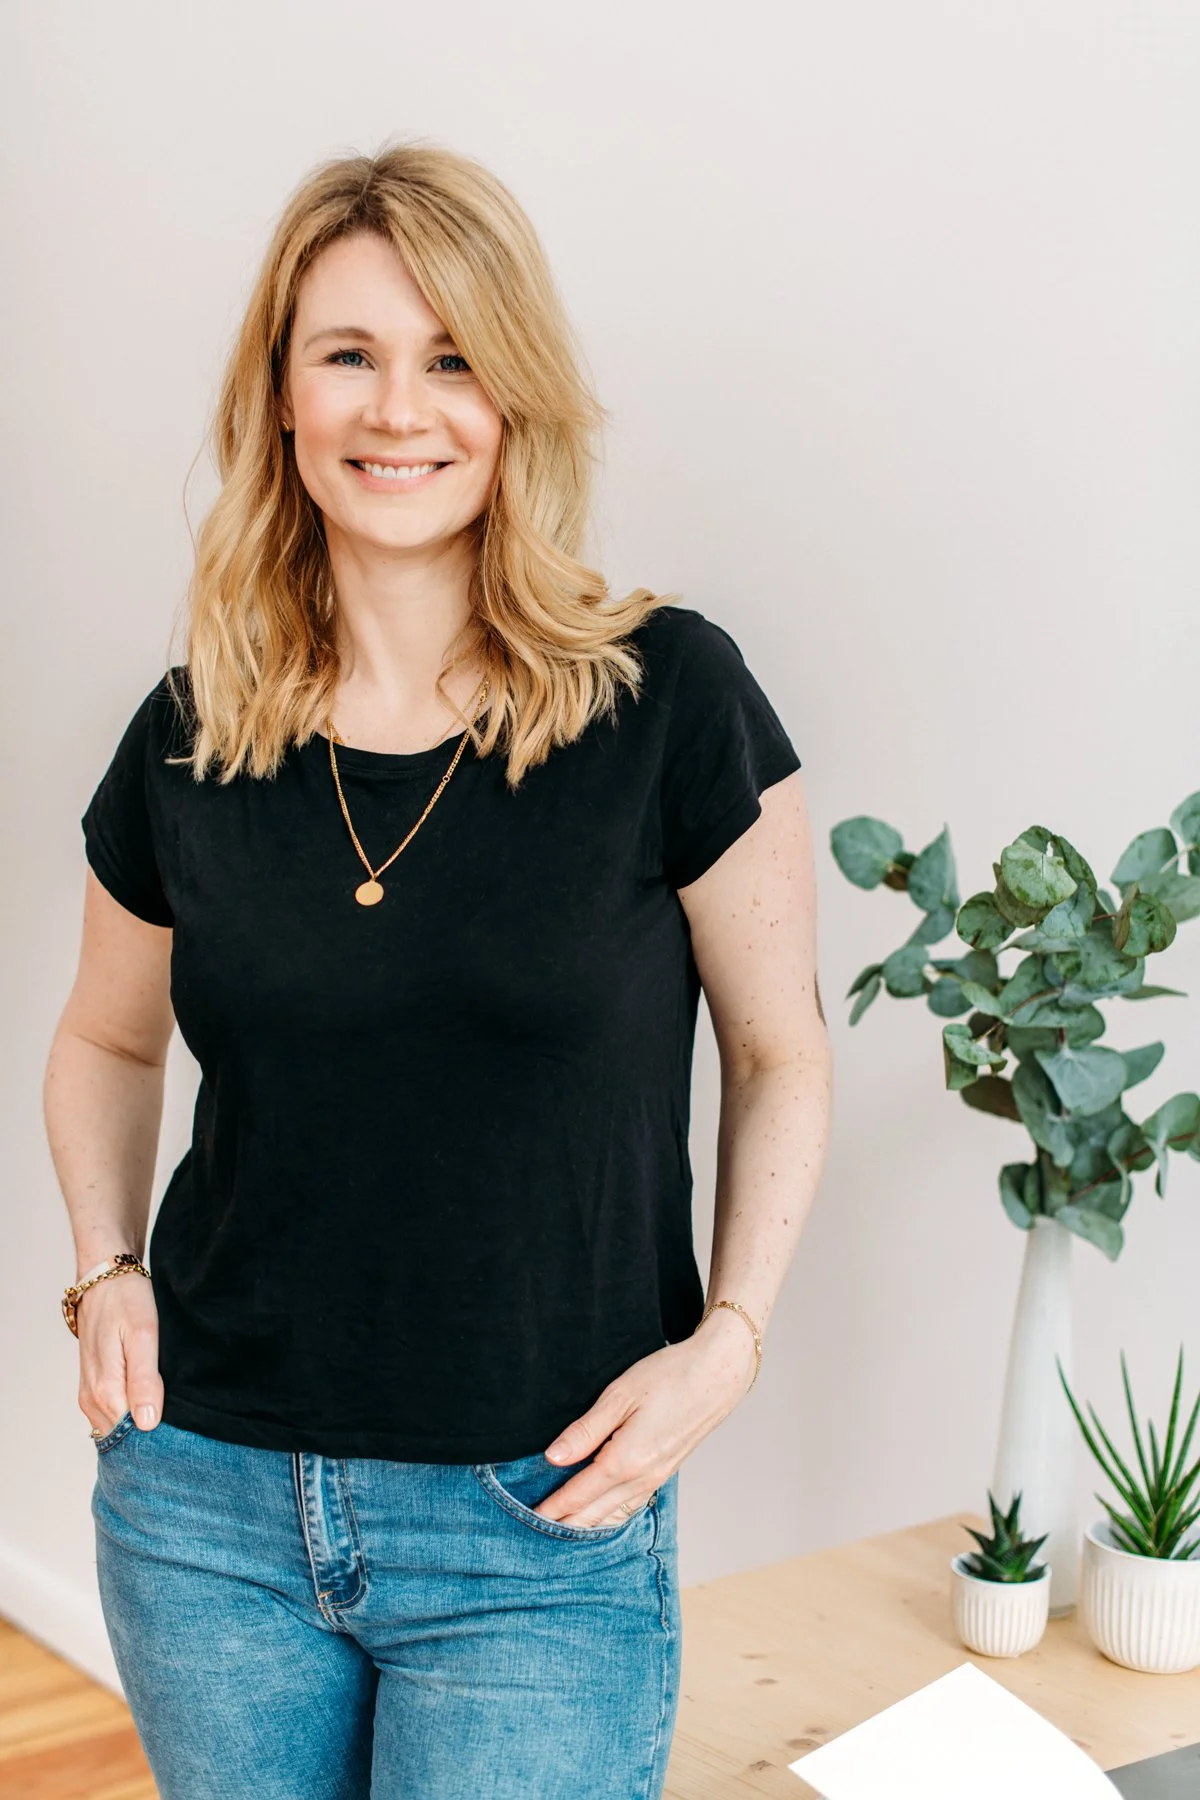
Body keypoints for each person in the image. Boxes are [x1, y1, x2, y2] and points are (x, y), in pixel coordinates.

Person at [43, 140, 833, 1800]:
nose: (401, 410)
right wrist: (106, 1267)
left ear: (517, 396)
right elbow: (110, 1044)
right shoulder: (192, 737)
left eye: (454, 357)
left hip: (537, 1521)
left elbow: (780, 1052)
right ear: (281, 396)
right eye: (349, 354)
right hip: (207, 1513)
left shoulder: (670, 701)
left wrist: (734, 1337)